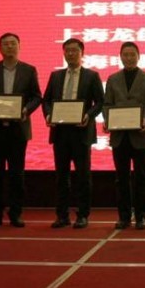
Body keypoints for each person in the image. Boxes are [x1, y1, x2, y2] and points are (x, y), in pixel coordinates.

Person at [0, 32, 42, 228]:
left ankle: (15, 214)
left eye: (13, 43)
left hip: (18, 129)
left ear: (19, 47)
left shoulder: (29, 70)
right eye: (5, 44)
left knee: (16, 174)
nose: (9, 47)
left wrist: (26, 110)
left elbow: (37, 96)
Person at [43, 38, 104, 229]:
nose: (71, 53)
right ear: (63, 53)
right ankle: (62, 215)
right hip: (60, 132)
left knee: (83, 176)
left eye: (74, 50)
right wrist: (48, 115)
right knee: (61, 176)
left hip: (81, 132)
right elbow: (46, 100)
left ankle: (82, 215)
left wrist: (88, 116)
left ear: (82, 53)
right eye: (67, 50)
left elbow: (100, 102)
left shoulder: (91, 76)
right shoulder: (56, 76)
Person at [103, 42, 145, 230]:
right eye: (125, 54)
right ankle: (124, 216)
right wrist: (108, 119)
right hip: (119, 136)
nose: (129, 58)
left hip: (140, 135)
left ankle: (142, 216)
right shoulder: (112, 79)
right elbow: (107, 104)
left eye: (132, 54)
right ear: (120, 57)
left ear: (138, 56)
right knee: (121, 178)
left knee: (141, 178)